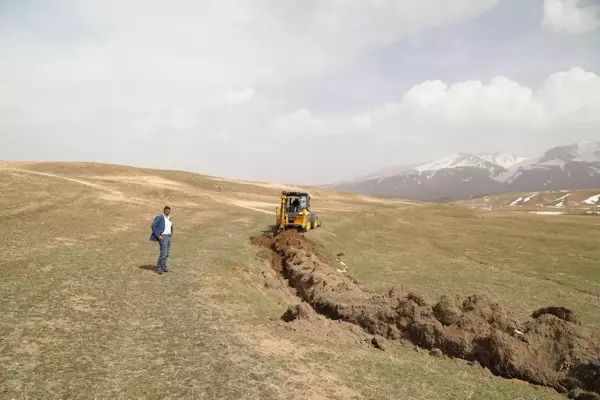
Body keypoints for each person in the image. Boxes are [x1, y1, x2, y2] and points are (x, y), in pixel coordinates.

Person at [150, 206, 174, 274]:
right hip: (163, 237)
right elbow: (153, 225)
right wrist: (158, 235)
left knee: (167, 253)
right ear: (163, 210)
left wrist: (171, 234)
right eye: (166, 211)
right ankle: (158, 268)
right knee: (163, 253)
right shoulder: (160, 217)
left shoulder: (169, 218)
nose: (168, 212)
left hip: (168, 237)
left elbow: (170, 226)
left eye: (169, 211)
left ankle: (163, 267)